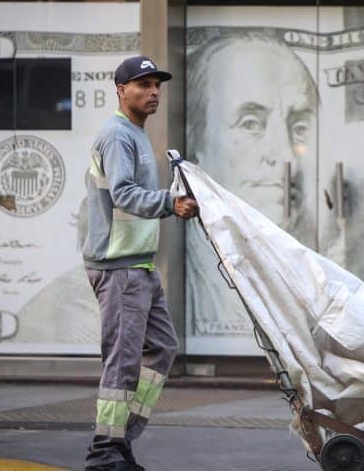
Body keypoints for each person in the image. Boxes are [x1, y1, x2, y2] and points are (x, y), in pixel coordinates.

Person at [80, 55, 198, 471]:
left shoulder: (135, 133)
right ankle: (104, 452)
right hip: (119, 268)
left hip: (139, 265)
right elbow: (124, 195)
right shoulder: (117, 135)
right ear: (120, 89)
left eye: (156, 86)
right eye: (142, 85)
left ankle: (121, 436)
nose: (153, 92)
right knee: (123, 360)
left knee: (163, 347)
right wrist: (171, 202)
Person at [184, 31, 321, 344]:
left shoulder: (316, 274)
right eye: (250, 123)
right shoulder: (78, 311)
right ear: (195, 144)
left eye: (299, 128)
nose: (286, 155)